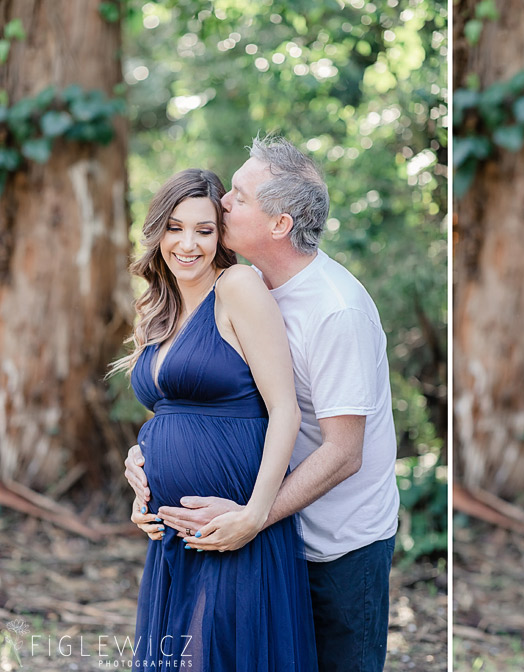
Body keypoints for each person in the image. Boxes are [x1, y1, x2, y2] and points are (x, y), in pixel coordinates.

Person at [126, 136, 400, 672]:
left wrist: (254, 517)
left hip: (335, 543)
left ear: (279, 224)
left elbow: (345, 452)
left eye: (239, 196)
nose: (224, 202)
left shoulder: (335, 311)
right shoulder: (241, 287)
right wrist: (145, 458)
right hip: (247, 527)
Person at [112, 169, 317, 670]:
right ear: (158, 229)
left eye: (204, 230)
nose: (187, 244)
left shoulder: (238, 286)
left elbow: (284, 411)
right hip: (172, 532)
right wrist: (139, 465)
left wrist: (254, 515)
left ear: (220, 236)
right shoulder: (155, 311)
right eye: (175, 227)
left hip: (234, 520)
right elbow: (168, 413)